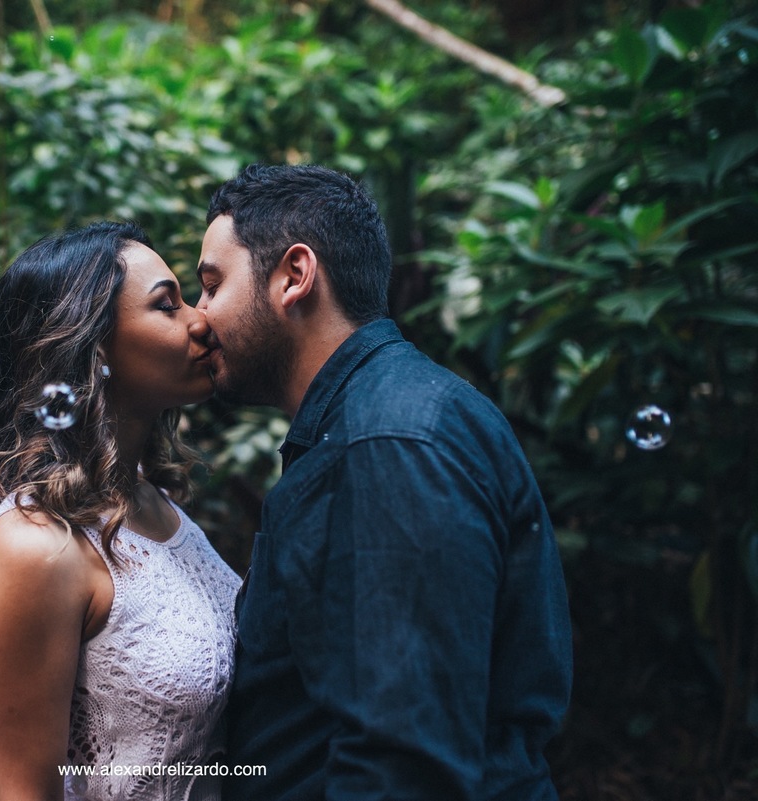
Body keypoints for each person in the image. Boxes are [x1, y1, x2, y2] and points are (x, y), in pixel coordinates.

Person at [194, 164, 573, 800]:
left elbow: (405, 761)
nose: (200, 317)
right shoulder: (380, 420)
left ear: (294, 276)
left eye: (212, 284)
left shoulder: (387, 441)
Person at [0, 221, 242, 801]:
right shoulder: (36, 545)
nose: (201, 321)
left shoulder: (152, 502)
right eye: (168, 306)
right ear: (93, 350)